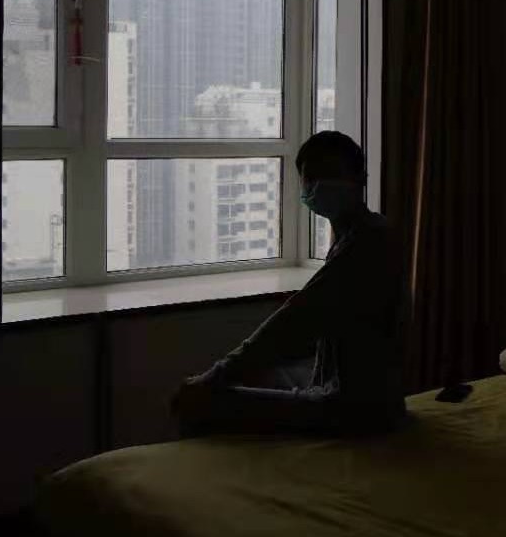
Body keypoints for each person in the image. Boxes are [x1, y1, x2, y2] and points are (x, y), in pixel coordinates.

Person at [171, 131, 404, 437]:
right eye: (312, 177)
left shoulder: (369, 242)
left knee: (202, 402)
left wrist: (215, 376)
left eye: (331, 173)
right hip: (349, 394)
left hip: (354, 410)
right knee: (262, 376)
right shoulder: (357, 234)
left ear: (360, 178)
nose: (319, 184)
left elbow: (296, 320)